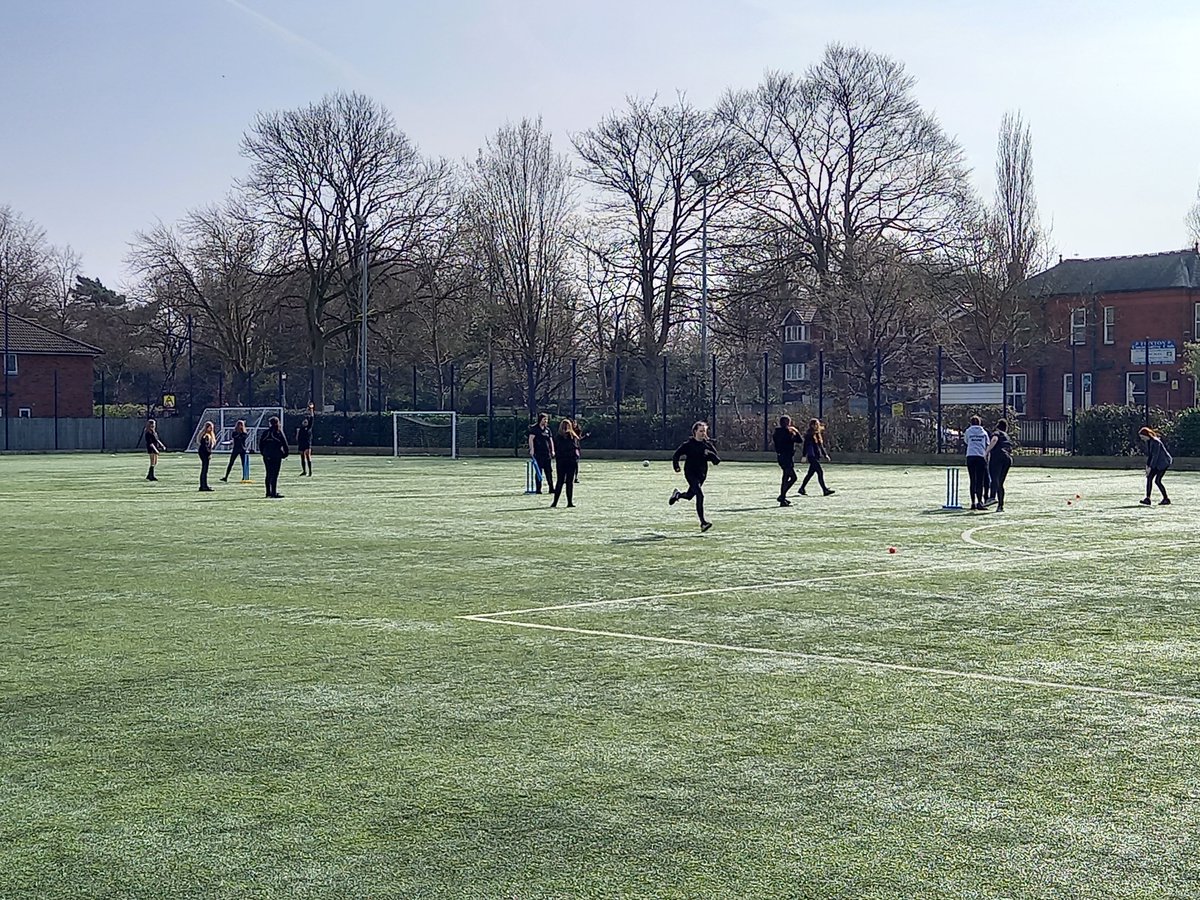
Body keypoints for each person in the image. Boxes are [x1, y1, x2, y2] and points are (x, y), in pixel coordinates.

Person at [670, 421, 721, 532]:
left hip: (701, 475)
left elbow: (716, 460)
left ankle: (677, 495)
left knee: (689, 496)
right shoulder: (688, 444)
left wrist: (709, 454)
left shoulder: (707, 445)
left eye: (704, 431)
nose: (703, 433)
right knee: (700, 495)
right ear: (695, 432)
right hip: (690, 473)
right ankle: (703, 523)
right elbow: (676, 455)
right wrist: (676, 466)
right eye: (701, 431)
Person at [799, 419, 835, 496]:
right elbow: (806, 446)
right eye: (814, 424)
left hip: (816, 456)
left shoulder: (817, 434)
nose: (815, 426)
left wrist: (825, 455)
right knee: (820, 472)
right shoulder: (809, 435)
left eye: (816, 424)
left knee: (810, 474)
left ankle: (801, 488)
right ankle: (824, 490)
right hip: (812, 457)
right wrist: (804, 456)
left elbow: (821, 446)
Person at [551, 419, 582, 508]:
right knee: (568, 482)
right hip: (570, 461)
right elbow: (575, 447)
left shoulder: (558, 437)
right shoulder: (571, 436)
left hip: (562, 461)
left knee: (561, 481)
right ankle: (569, 502)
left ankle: (556, 502)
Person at [1139, 426, 1172, 506]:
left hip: (1163, 463)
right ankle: (1147, 499)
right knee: (1149, 478)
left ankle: (1166, 499)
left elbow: (1155, 456)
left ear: (1146, 435)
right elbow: (1150, 455)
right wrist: (1147, 466)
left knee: (1157, 481)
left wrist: (1151, 467)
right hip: (1156, 463)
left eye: (1142, 436)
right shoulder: (1149, 442)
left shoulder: (1156, 442)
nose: (1141, 438)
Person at [985, 419, 1013, 512]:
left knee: (994, 478)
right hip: (1007, 458)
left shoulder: (997, 433)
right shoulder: (1006, 436)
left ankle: (992, 497)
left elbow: (994, 440)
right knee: (1000, 483)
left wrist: (987, 451)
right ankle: (1000, 506)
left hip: (997, 456)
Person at [772, 415, 801, 506]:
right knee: (793, 477)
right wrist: (796, 431)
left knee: (786, 477)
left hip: (781, 457)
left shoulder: (777, 432)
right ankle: (782, 496)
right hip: (787, 457)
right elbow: (800, 440)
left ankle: (783, 498)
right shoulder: (788, 432)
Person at [258, 416, 289, 499]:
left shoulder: (266, 433)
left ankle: (268, 492)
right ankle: (274, 492)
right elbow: (285, 444)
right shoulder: (278, 432)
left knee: (268, 473)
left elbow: (260, 444)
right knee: (274, 474)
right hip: (276, 455)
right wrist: (285, 454)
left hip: (267, 455)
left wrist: (263, 453)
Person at [963, 415, 990, 510]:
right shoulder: (983, 432)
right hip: (980, 456)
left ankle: (973, 503)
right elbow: (987, 443)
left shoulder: (968, 431)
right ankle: (979, 502)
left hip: (970, 456)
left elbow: (966, 441)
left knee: (972, 480)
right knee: (980, 480)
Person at [527, 412, 555, 495]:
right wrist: (532, 449)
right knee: (539, 471)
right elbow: (531, 439)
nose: (546, 421)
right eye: (544, 419)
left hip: (547, 453)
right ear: (540, 419)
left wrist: (552, 450)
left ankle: (551, 488)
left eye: (547, 419)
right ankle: (538, 489)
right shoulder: (535, 429)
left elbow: (551, 440)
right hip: (538, 453)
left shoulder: (547, 430)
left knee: (548, 471)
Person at [197, 421, 216, 492]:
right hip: (204, 453)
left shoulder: (206, 435)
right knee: (204, 470)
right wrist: (209, 454)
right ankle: (203, 486)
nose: (211, 429)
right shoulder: (206, 436)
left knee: (204, 470)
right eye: (210, 427)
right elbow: (205, 446)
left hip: (203, 452)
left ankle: (203, 485)